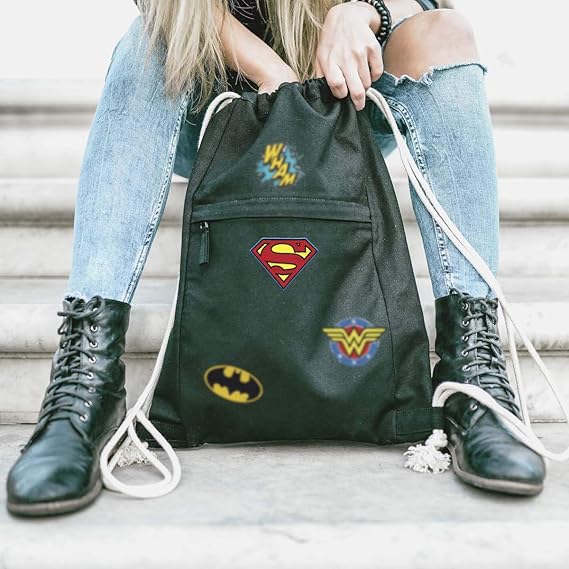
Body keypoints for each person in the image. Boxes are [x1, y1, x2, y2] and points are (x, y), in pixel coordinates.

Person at [6, 0, 546, 517]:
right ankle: (89, 374)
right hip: (215, 112)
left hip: (345, 99)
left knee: (445, 31)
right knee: (146, 42)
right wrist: (272, 71)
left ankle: (471, 369)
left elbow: (420, 5)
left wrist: (365, 12)